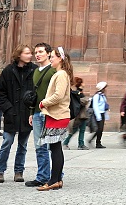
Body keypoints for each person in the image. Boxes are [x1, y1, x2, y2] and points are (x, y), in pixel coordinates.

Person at [0, 44, 33, 184]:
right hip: (12, 113)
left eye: (30, 53)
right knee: (7, 143)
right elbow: (0, 92)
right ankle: (0, 171)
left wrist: (32, 108)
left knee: (23, 145)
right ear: (19, 55)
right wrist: (8, 109)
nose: (30, 55)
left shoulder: (34, 70)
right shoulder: (8, 71)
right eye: (27, 53)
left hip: (26, 113)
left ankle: (18, 171)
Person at [36, 47, 72, 191]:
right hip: (56, 115)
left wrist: (43, 103)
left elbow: (58, 95)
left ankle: (53, 180)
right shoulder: (60, 73)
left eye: (52, 57)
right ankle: (56, 180)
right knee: (55, 148)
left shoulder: (61, 74)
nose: (50, 59)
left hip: (58, 115)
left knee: (55, 149)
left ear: (60, 59)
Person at [25, 42, 56, 187]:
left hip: (50, 113)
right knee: (39, 146)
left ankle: (56, 175)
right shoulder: (36, 71)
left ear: (49, 53)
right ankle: (42, 176)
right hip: (37, 113)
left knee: (53, 146)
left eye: (41, 52)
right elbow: (35, 94)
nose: (37, 54)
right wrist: (31, 112)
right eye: (36, 52)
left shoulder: (53, 70)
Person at [62, 77, 88, 150]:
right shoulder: (77, 92)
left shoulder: (78, 92)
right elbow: (81, 102)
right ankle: (66, 143)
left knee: (81, 130)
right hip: (79, 114)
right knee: (74, 130)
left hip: (82, 114)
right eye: (82, 82)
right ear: (79, 84)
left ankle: (81, 144)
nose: (84, 84)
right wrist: (86, 100)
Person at [88, 81, 110, 148]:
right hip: (97, 114)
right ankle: (95, 141)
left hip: (102, 113)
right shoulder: (97, 96)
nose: (105, 90)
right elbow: (95, 107)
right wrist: (98, 116)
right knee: (99, 129)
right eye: (104, 88)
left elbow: (104, 105)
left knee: (100, 129)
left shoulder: (103, 96)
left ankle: (97, 142)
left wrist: (106, 115)